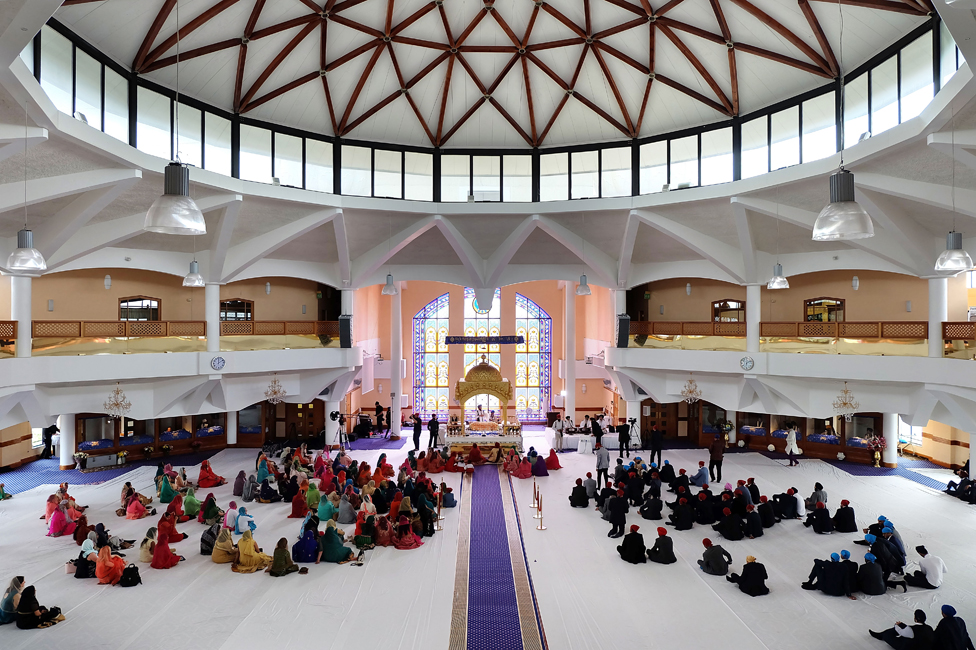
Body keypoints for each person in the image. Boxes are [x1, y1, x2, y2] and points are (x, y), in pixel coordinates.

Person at [869, 609, 934, 650]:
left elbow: (900, 631)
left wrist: (897, 625)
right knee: (903, 628)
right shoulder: (929, 628)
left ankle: (881, 635)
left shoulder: (912, 630)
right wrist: (902, 624)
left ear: (916, 619)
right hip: (919, 644)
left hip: (906, 646)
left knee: (888, 634)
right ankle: (881, 634)